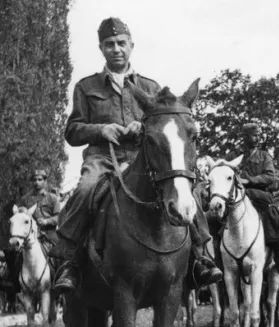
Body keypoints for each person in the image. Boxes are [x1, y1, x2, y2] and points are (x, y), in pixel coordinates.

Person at [50, 17, 221, 295]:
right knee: (85, 189)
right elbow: (72, 131)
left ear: (131, 46)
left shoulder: (151, 87)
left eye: (121, 43)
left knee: (185, 188)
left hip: (144, 159)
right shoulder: (86, 86)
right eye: (109, 44)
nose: (116, 48)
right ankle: (69, 262)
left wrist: (143, 127)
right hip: (103, 159)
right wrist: (101, 129)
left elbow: (164, 126)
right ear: (101, 48)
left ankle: (200, 258)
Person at [224, 123, 279, 272]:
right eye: (254, 135)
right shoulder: (232, 156)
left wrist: (249, 180)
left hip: (259, 194)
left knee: (272, 213)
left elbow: (270, 177)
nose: (258, 138)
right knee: (216, 217)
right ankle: (214, 258)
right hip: (236, 195)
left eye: (259, 135)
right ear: (244, 136)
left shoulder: (264, 156)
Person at [16, 169, 61, 249]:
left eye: (39, 180)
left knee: (60, 252)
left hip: (49, 233)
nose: (36, 182)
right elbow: (19, 217)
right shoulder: (25, 199)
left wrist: (46, 221)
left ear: (45, 181)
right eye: (34, 180)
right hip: (30, 233)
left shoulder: (52, 198)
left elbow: (58, 217)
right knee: (15, 255)